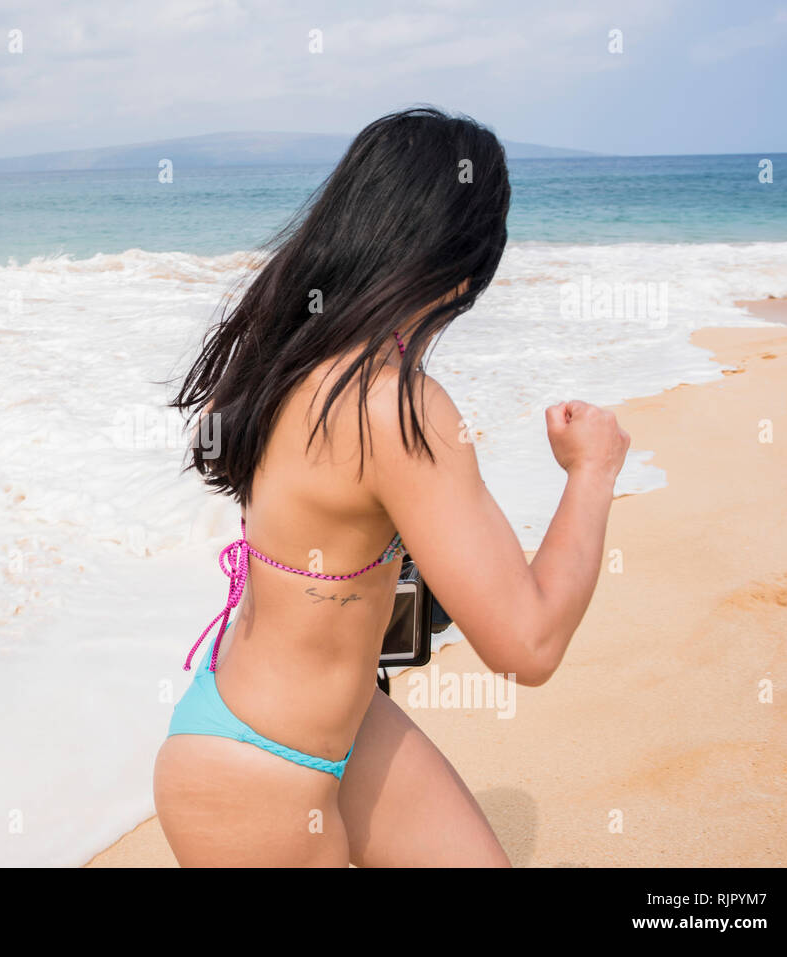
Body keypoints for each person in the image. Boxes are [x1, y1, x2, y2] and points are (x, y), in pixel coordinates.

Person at [153, 106, 630, 867]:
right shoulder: (400, 407)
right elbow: (529, 645)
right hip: (256, 775)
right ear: (468, 266)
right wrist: (593, 471)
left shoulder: (288, 352)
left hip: (314, 722)